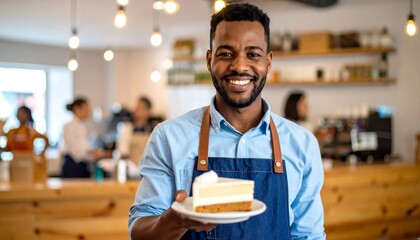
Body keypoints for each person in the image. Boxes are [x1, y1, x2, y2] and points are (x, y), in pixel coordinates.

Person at [129, 3, 325, 240]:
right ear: (209, 60)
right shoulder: (168, 138)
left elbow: (309, 236)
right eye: (226, 54)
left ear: (269, 61)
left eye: (253, 54)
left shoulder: (302, 144)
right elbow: (140, 233)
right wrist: (175, 220)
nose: (240, 66)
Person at [60, 97, 108, 178]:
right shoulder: (69, 126)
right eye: (86, 109)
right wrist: (90, 153)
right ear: (76, 109)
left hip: (81, 165)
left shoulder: (82, 126)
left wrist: (91, 152)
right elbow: (75, 152)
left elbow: (82, 147)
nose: (88, 112)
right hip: (72, 167)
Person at [117, 96, 163, 162]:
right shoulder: (127, 128)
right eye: (136, 107)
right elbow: (122, 153)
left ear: (148, 111)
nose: (136, 110)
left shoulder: (154, 130)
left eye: (140, 108)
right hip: (131, 168)